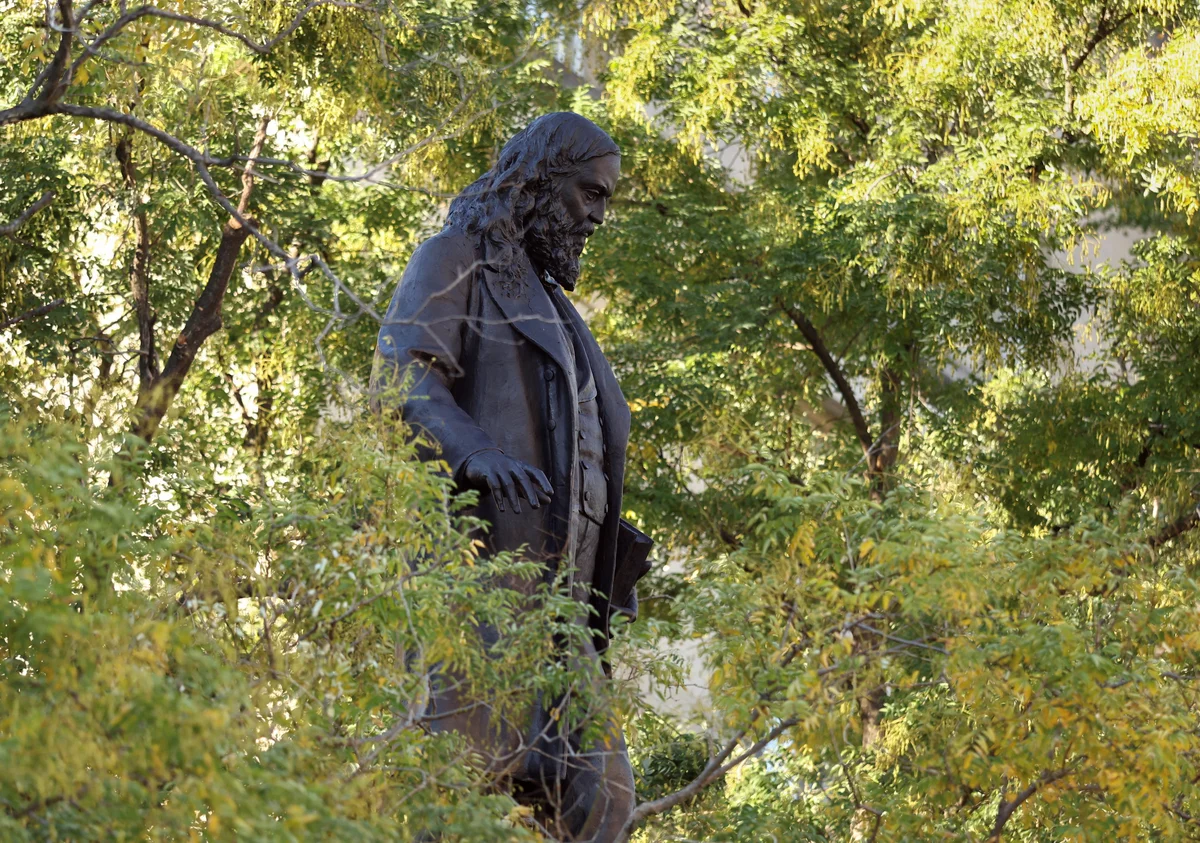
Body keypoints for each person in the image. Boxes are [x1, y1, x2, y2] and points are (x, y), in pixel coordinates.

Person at [370, 112, 653, 842]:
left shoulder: (559, 308)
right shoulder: (454, 260)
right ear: (538, 182)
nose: (597, 216)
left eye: (606, 200)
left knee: (606, 799)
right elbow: (402, 377)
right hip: (478, 594)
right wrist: (472, 450)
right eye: (590, 194)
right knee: (450, 795)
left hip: (563, 619)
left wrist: (606, 528)